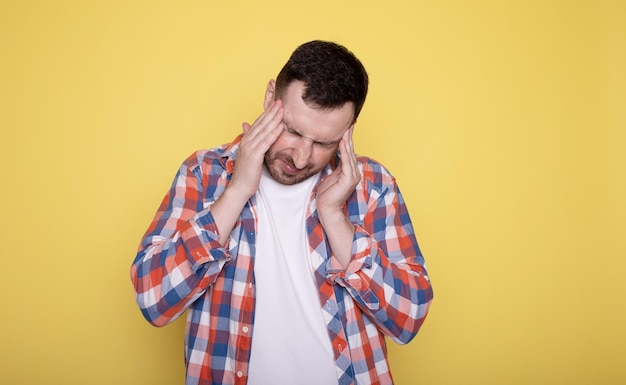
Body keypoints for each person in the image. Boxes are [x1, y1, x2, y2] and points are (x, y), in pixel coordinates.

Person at [131, 40, 433, 385]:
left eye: (324, 143)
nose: (302, 157)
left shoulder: (373, 186)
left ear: (348, 133)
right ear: (270, 97)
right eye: (292, 130)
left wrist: (334, 217)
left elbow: (408, 319)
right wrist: (237, 191)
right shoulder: (204, 173)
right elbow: (153, 300)